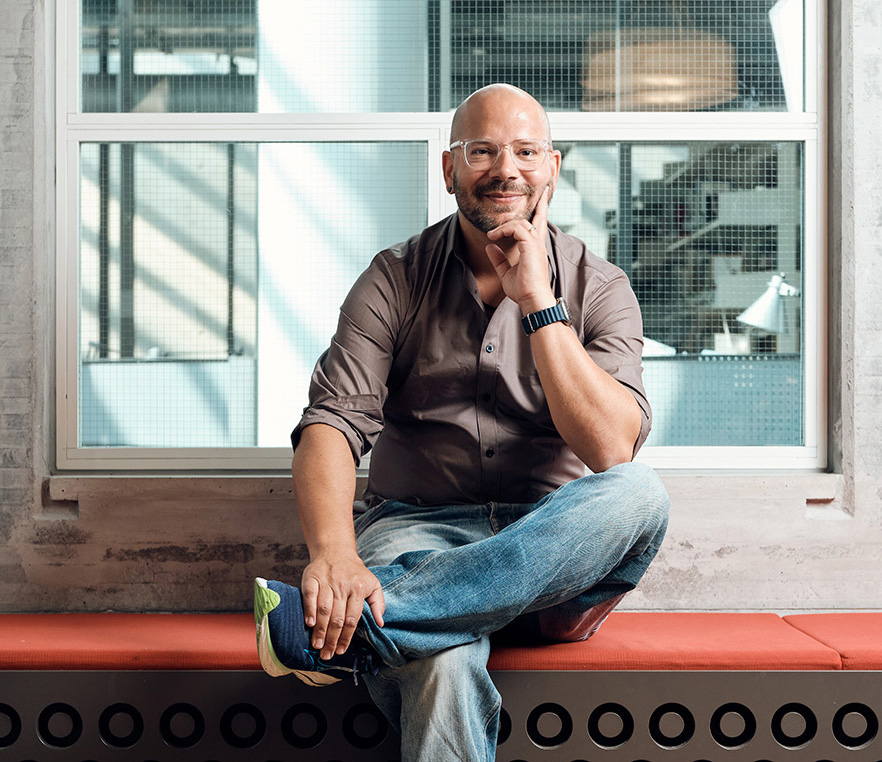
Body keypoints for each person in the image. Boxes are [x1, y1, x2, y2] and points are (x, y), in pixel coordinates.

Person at [254, 83, 669, 762]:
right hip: (418, 531)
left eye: (526, 152)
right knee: (440, 666)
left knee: (639, 492)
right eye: (482, 151)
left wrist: (538, 302)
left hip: (550, 553)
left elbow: (609, 447)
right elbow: (331, 422)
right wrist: (334, 556)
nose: (506, 169)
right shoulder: (393, 278)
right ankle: (408, 617)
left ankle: (366, 623)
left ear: (553, 169)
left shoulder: (599, 287)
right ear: (449, 169)